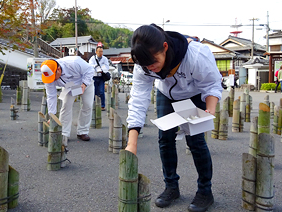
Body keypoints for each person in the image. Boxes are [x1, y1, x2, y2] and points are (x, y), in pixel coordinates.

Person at [126, 24, 222, 212]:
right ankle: (171, 186)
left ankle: (205, 191)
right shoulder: (143, 66)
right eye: (146, 66)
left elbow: (211, 84)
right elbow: (138, 98)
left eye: (153, 62)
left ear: (165, 46)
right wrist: (132, 142)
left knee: (195, 141)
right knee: (165, 139)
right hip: (166, 95)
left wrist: (210, 109)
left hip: (194, 95)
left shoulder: (196, 55)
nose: (151, 68)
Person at [41, 56, 94, 144]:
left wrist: (84, 84)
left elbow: (90, 70)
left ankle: (82, 131)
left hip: (85, 83)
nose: (52, 80)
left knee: (87, 105)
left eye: (54, 77)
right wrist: (52, 115)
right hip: (69, 87)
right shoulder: (48, 78)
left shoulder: (74, 62)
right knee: (66, 106)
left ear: (58, 69)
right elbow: (51, 96)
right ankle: (64, 133)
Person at [89, 42, 109, 111]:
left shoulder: (105, 59)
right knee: (94, 91)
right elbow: (90, 66)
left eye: (102, 51)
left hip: (101, 77)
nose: (101, 53)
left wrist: (103, 70)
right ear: (96, 52)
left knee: (101, 91)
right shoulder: (92, 58)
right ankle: (94, 105)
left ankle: (102, 105)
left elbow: (107, 67)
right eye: (99, 51)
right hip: (94, 77)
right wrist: (96, 67)